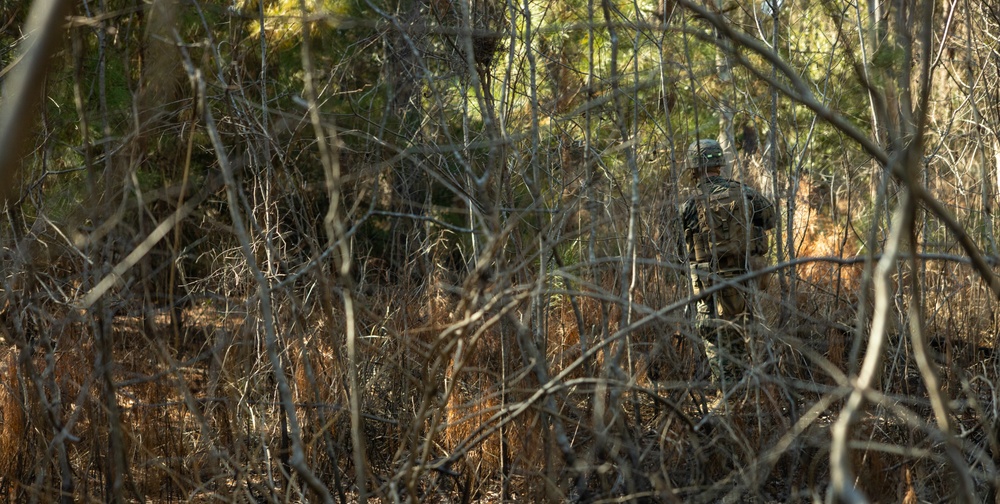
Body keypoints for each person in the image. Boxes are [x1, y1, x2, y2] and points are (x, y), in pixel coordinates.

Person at [680, 138, 776, 390]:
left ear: (693, 167)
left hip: (708, 285)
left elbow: (682, 247)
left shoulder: (691, 204)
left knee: (713, 336)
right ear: (720, 164)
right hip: (743, 279)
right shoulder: (745, 193)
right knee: (742, 335)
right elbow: (770, 218)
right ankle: (744, 394)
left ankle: (726, 394)